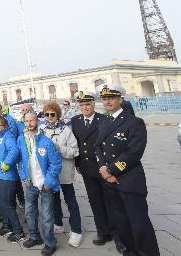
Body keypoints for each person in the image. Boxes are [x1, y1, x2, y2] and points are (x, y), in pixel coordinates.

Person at [95, 84, 160, 256]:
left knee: (139, 223)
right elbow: (98, 147)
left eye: (112, 97)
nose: (108, 101)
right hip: (109, 182)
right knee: (121, 222)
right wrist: (102, 168)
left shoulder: (134, 122)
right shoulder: (104, 121)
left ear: (120, 99)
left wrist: (111, 171)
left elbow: (134, 152)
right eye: (105, 98)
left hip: (129, 181)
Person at [70, 91, 124, 252]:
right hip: (87, 168)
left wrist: (110, 167)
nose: (85, 107)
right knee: (95, 202)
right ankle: (102, 232)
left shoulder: (104, 119)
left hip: (104, 168)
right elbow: (77, 144)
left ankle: (118, 236)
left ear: (93, 104)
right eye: (82, 105)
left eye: (88, 104)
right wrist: (77, 163)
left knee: (111, 202)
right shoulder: (75, 120)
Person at [17, 111, 62, 256]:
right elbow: (20, 161)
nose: (29, 123)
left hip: (45, 185)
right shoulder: (21, 140)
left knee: (47, 216)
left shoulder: (46, 142)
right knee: (30, 213)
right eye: (27, 121)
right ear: (24, 122)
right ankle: (34, 237)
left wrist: (48, 182)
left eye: (32, 120)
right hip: (30, 184)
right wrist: (24, 177)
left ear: (37, 121)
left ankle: (50, 243)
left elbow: (56, 164)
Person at [40, 101, 82, 247]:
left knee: (71, 201)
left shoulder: (66, 130)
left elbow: (75, 151)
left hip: (65, 172)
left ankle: (76, 230)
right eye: (47, 114)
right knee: (54, 200)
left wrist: (60, 148)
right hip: (51, 174)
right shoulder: (42, 130)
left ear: (58, 115)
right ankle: (58, 223)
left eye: (53, 114)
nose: (50, 117)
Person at [0, 116, 25, 244]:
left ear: (5, 126)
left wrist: (7, 163)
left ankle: (19, 231)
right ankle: (7, 225)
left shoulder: (8, 136)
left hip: (7, 176)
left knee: (8, 204)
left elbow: (14, 151)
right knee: (1, 202)